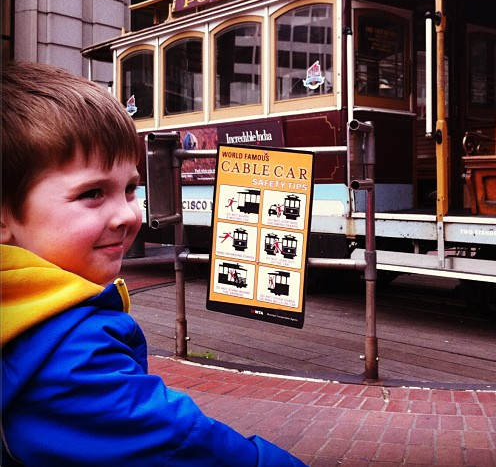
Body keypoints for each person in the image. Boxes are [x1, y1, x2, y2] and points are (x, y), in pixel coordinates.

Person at [1, 62, 307, 467]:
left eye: (130, 188)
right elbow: (185, 445)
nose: (128, 215)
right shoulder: (73, 354)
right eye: (92, 193)